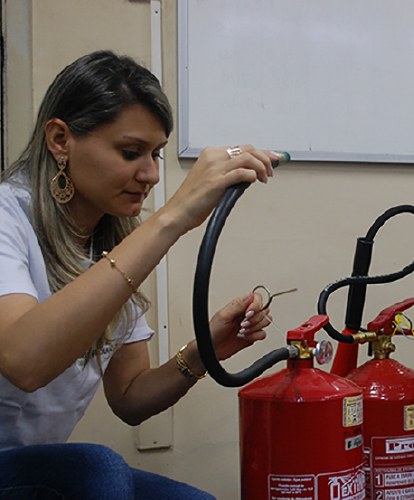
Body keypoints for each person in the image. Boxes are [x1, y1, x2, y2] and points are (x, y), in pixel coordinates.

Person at [0, 50, 280, 498]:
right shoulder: (7, 218)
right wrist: (170, 219)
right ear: (60, 140)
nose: (150, 174)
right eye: (131, 152)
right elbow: (23, 361)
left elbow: (130, 397)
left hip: (35, 473)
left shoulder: (110, 241)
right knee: (98, 467)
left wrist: (208, 350)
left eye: (156, 154)